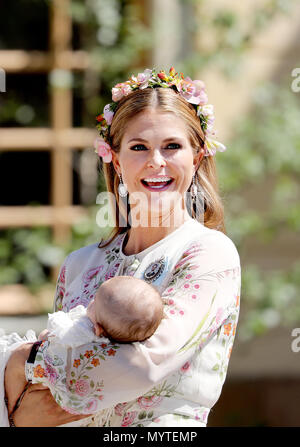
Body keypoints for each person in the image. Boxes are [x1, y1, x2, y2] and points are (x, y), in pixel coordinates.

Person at [4, 67, 241, 427]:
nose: (156, 162)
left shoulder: (208, 254)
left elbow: (142, 367)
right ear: (114, 157)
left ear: (196, 156)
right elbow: (43, 402)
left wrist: (20, 360)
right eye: (139, 147)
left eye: (172, 146)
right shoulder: (79, 265)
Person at [0, 276, 163, 427]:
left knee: (15, 364)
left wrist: (47, 336)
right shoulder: (117, 349)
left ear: (98, 329)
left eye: (94, 302)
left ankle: (11, 408)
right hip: (79, 411)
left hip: (40, 387)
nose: (90, 302)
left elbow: (51, 336)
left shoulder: (82, 331)